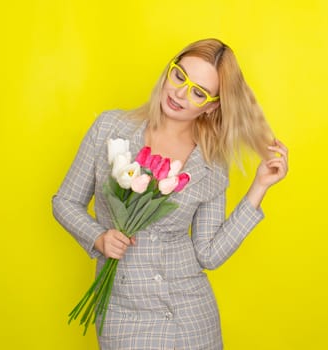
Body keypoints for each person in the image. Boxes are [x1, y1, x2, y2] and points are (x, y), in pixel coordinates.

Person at [52, 38, 288, 349]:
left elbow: (209, 253)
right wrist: (98, 237)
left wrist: (259, 187)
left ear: (212, 105)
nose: (180, 93)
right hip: (125, 316)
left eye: (199, 92)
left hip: (190, 318)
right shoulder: (109, 128)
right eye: (180, 76)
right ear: (169, 70)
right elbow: (65, 202)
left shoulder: (211, 160)